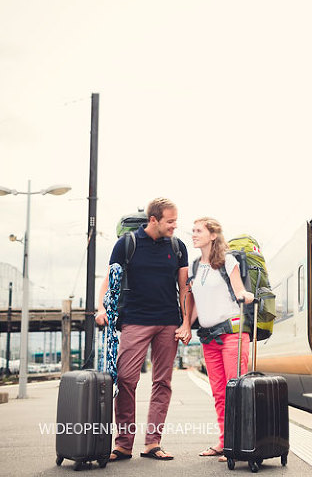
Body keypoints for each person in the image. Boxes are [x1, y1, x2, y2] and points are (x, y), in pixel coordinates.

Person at [95, 198, 191, 462]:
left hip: (168, 322)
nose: (175, 226)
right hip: (135, 320)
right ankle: (123, 444)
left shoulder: (177, 246)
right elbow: (109, 280)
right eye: (170, 221)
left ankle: (153, 442)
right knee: (126, 380)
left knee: (163, 382)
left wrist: (185, 322)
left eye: (175, 220)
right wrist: (101, 308)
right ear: (154, 220)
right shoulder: (127, 245)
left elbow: (185, 288)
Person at [184, 217, 253, 462]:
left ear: (213, 235)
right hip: (208, 338)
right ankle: (225, 442)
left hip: (232, 334)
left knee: (236, 391)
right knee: (219, 393)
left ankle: (241, 443)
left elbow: (238, 291)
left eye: (198, 230)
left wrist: (246, 294)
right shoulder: (194, 267)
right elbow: (196, 304)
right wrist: (186, 326)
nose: (193, 234)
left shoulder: (227, 261)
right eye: (192, 230)